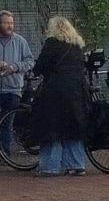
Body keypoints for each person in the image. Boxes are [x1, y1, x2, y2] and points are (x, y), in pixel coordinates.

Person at [29, 17, 91, 176]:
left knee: (51, 127)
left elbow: (40, 66)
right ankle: (76, 164)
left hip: (55, 92)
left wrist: (34, 72)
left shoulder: (52, 43)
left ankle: (49, 166)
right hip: (77, 91)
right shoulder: (77, 46)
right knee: (73, 127)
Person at [0, 10, 35, 157]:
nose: (9, 26)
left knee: (7, 123)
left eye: (11, 23)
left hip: (12, 89)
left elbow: (30, 61)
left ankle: (5, 155)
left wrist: (14, 67)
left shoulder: (20, 41)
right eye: (6, 23)